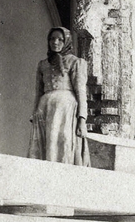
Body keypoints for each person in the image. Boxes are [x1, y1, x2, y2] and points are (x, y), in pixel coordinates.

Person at [28, 27, 89, 165]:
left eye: (60, 39)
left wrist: (82, 119)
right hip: (45, 110)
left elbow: (81, 91)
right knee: (45, 147)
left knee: (64, 144)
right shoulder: (43, 64)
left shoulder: (75, 62)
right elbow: (38, 92)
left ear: (66, 41)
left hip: (65, 110)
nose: (55, 42)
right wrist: (35, 112)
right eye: (52, 39)